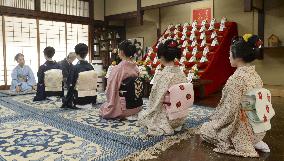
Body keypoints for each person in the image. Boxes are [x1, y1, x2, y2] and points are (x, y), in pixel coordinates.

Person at [200, 34, 269, 157]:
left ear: (238, 56)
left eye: (230, 53)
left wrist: (215, 124)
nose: (229, 56)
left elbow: (229, 111)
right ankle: (254, 140)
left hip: (243, 133)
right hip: (259, 130)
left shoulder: (236, 79)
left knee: (204, 130)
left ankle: (245, 143)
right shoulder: (256, 76)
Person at [138, 39, 188, 136]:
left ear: (161, 56)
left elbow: (155, 99)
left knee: (143, 116)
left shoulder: (163, 75)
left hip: (168, 118)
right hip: (181, 116)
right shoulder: (181, 73)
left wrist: (150, 111)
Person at [100, 40, 142, 119]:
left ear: (121, 52)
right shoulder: (136, 67)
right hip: (137, 105)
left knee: (103, 108)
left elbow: (111, 88)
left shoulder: (118, 68)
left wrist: (110, 100)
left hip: (124, 108)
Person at [61, 43, 95, 109]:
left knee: (65, 98)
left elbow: (70, 85)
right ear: (87, 53)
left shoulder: (75, 68)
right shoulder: (91, 67)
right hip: (91, 98)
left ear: (76, 54)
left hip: (79, 99)